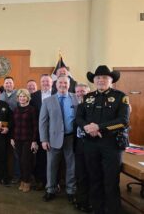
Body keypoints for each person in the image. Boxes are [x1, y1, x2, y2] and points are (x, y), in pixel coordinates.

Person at [76, 65, 130, 214]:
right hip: (91, 145)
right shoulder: (88, 97)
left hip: (111, 145)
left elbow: (123, 121)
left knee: (111, 181)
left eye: (104, 77)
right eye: (98, 77)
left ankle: (113, 210)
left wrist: (98, 127)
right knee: (94, 179)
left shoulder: (121, 97)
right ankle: (97, 209)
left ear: (111, 80)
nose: (101, 80)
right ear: (94, 80)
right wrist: (87, 127)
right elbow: (79, 117)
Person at [40, 75, 78, 203]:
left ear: (69, 84)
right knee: (51, 166)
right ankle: (50, 190)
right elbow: (43, 122)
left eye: (65, 83)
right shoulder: (48, 101)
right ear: (56, 85)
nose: (63, 85)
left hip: (71, 139)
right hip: (52, 140)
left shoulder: (75, 98)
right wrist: (44, 139)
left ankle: (71, 191)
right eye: (60, 83)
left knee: (71, 166)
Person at [10, 89, 38, 192]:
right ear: (18, 98)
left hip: (28, 140)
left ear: (28, 98)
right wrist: (12, 138)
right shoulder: (16, 110)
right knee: (20, 162)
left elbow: (35, 126)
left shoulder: (32, 109)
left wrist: (34, 141)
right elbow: (13, 125)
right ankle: (22, 180)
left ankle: (27, 182)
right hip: (17, 139)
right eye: (20, 96)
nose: (22, 98)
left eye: (24, 96)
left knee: (26, 162)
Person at [30, 74, 54, 190]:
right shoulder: (33, 96)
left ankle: (54, 182)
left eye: (47, 81)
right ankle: (41, 181)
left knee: (54, 158)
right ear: (40, 83)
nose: (45, 83)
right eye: (43, 81)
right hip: (39, 131)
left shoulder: (57, 94)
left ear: (52, 83)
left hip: (54, 131)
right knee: (40, 158)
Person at [73, 83, 92, 212]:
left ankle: (89, 201)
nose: (80, 94)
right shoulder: (77, 105)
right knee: (80, 173)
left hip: (92, 144)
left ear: (89, 92)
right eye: (78, 92)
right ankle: (81, 199)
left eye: (83, 92)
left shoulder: (94, 107)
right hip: (78, 143)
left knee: (91, 173)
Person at [0, 76, 19, 183]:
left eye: (10, 83)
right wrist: (4, 127)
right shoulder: (0, 95)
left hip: (17, 128)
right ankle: (4, 175)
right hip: (3, 128)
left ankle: (17, 175)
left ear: (13, 84)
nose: (8, 85)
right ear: (3, 85)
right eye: (6, 83)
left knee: (16, 153)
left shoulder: (19, 94)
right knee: (3, 152)